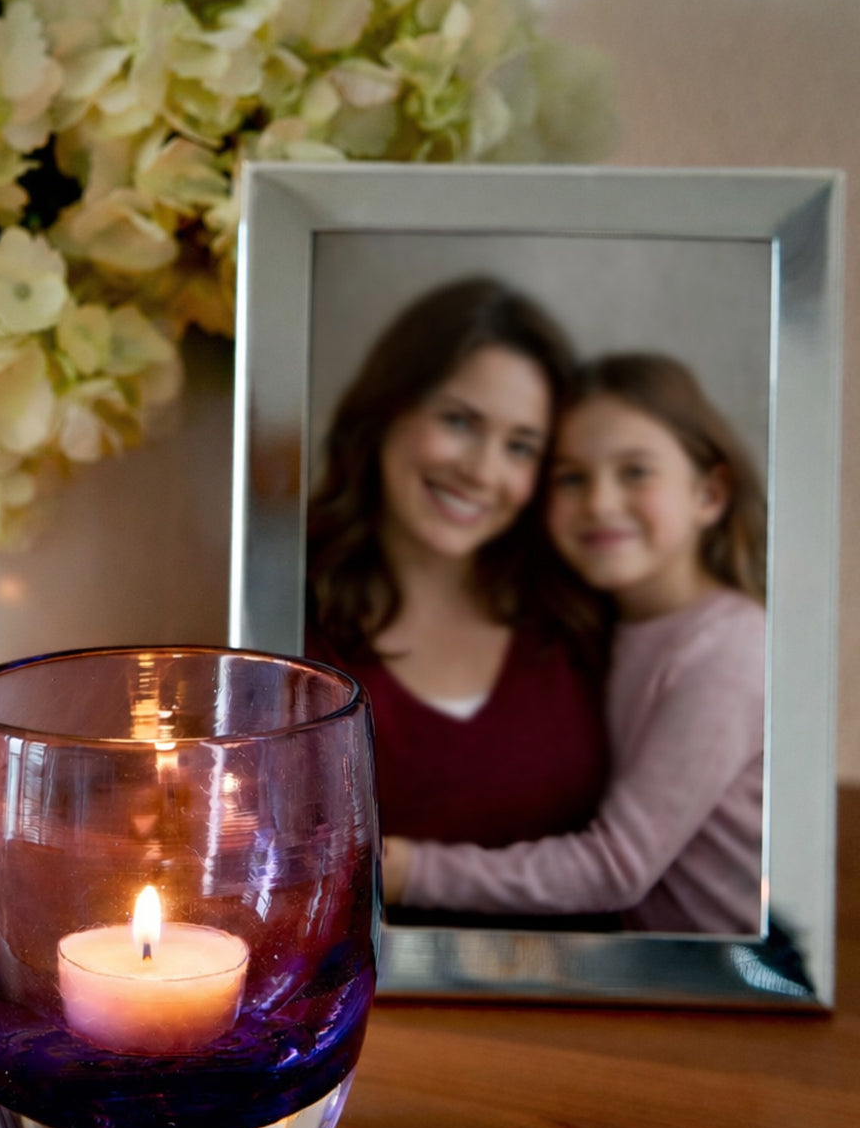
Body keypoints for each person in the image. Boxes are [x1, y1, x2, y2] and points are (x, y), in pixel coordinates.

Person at [382, 352, 768, 934]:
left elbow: (616, 868)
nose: (600, 503)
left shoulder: (727, 648)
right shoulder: (599, 628)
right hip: (635, 973)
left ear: (709, 494)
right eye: (572, 477)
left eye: (635, 472)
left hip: (727, 990)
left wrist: (408, 870)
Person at [305, 277, 610, 865]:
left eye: (520, 447)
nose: (482, 471)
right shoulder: (281, 612)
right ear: (389, 408)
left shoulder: (582, 614)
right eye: (459, 422)